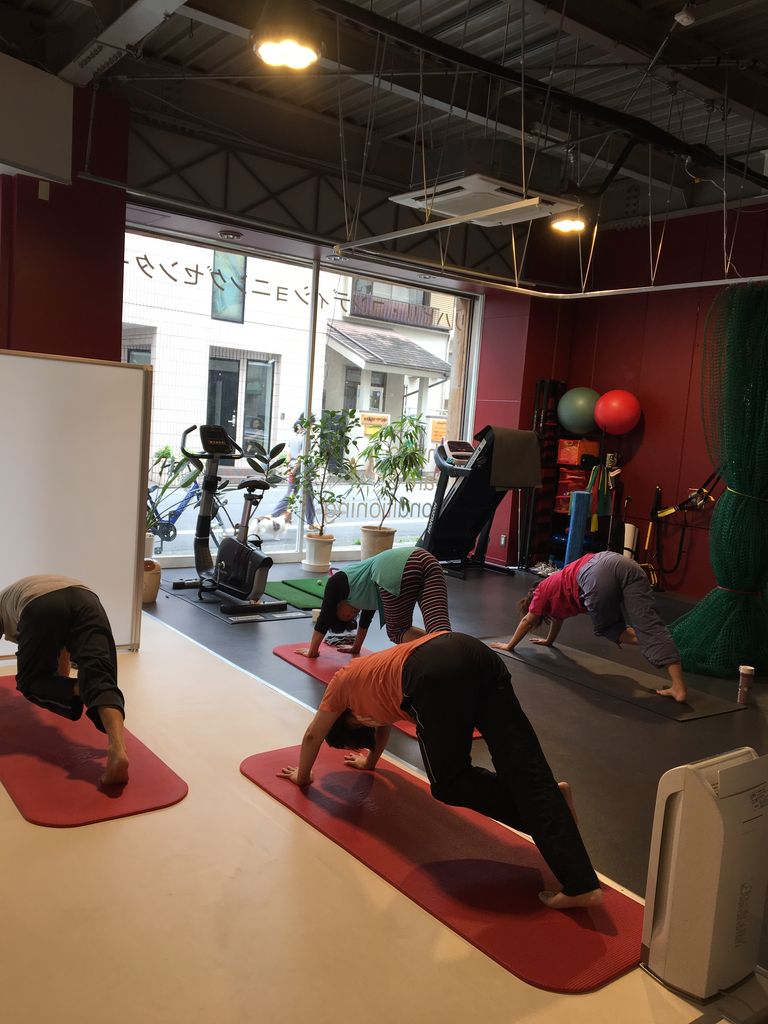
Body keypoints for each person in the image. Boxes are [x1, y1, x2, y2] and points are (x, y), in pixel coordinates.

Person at [279, 631, 603, 910]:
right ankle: (580, 882)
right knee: (522, 764)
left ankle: (549, 813)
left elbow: (313, 735)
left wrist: (303, 777)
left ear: (342, 722)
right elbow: (382, 727)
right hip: (472, 652)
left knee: (449, 782)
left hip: (432, 672)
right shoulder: (371, 683)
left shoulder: (340, 684)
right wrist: (369, 762)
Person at [491, 551, 687, 702]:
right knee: (649, 625)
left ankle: (654, 640)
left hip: (595, 572)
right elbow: (558, 618)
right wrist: (549, 641)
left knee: (608, 628)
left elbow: (527, 621)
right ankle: (678, 686)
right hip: (624, 563)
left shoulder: (541, 592)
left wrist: (509, 646)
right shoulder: (556, 589)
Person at [0, 575, 129, 785]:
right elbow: (61, 649)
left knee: (30, 681)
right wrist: (65, 683)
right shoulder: (16, 594)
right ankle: (118, 750)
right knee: (100, 677)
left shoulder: (3, 603)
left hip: (39, 603)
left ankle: (82, 688)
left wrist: (65, 688)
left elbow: (51, 636)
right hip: (86, 599)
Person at [296, 545, 450, 658]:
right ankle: (453, 652)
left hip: (399, 566)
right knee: (440, 629)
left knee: (398, 631)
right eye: (352, 617)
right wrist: (356, 647)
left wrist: (312, 651)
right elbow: (365, 622)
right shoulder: (366, 595)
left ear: (337, 605)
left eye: (346, 616)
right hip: (426, 559)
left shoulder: (338, 581)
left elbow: (324, 617)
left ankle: (442, 655)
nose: (353, 614)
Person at [272, 418, 315, 526]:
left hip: (292, 467)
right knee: (308, 495)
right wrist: (295, 469)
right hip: (302, 469)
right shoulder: (305, 438)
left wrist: (289, 469)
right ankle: (310, 522)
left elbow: (289, 454)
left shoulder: (292, 438)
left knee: (291, 493)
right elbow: (302, 456)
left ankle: (274, 514)